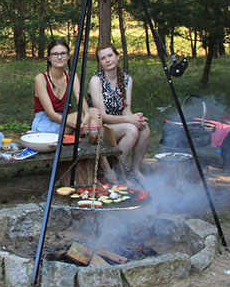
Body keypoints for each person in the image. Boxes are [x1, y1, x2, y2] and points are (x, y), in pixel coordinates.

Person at [33, 39, 115, 181]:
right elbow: (51, 114)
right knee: (89, 124)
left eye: (63, 53)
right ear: (49, 57)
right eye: (55, 54)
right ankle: (105, 168)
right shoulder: (41, 78)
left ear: (68, 56)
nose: (59, 57)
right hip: (45, 124)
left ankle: (94, 171)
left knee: (94, 113)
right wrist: (79, 125)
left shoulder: (71, 76)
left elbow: (80, 98)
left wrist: (87, 115)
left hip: (65, 121)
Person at [89, 42, 150, 183]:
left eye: (110, 55)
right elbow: (102, 116)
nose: (107, 60)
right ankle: (118, 171)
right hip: (100, 129)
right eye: (103, 58)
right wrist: (129, 120)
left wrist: (136, 119)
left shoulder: (127, 79)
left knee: (144, 129)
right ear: (100, 63)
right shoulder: (96, 80)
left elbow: (126, 110)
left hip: (119, 124)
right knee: (131, 130)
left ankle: (135, 170)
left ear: (117, 57)